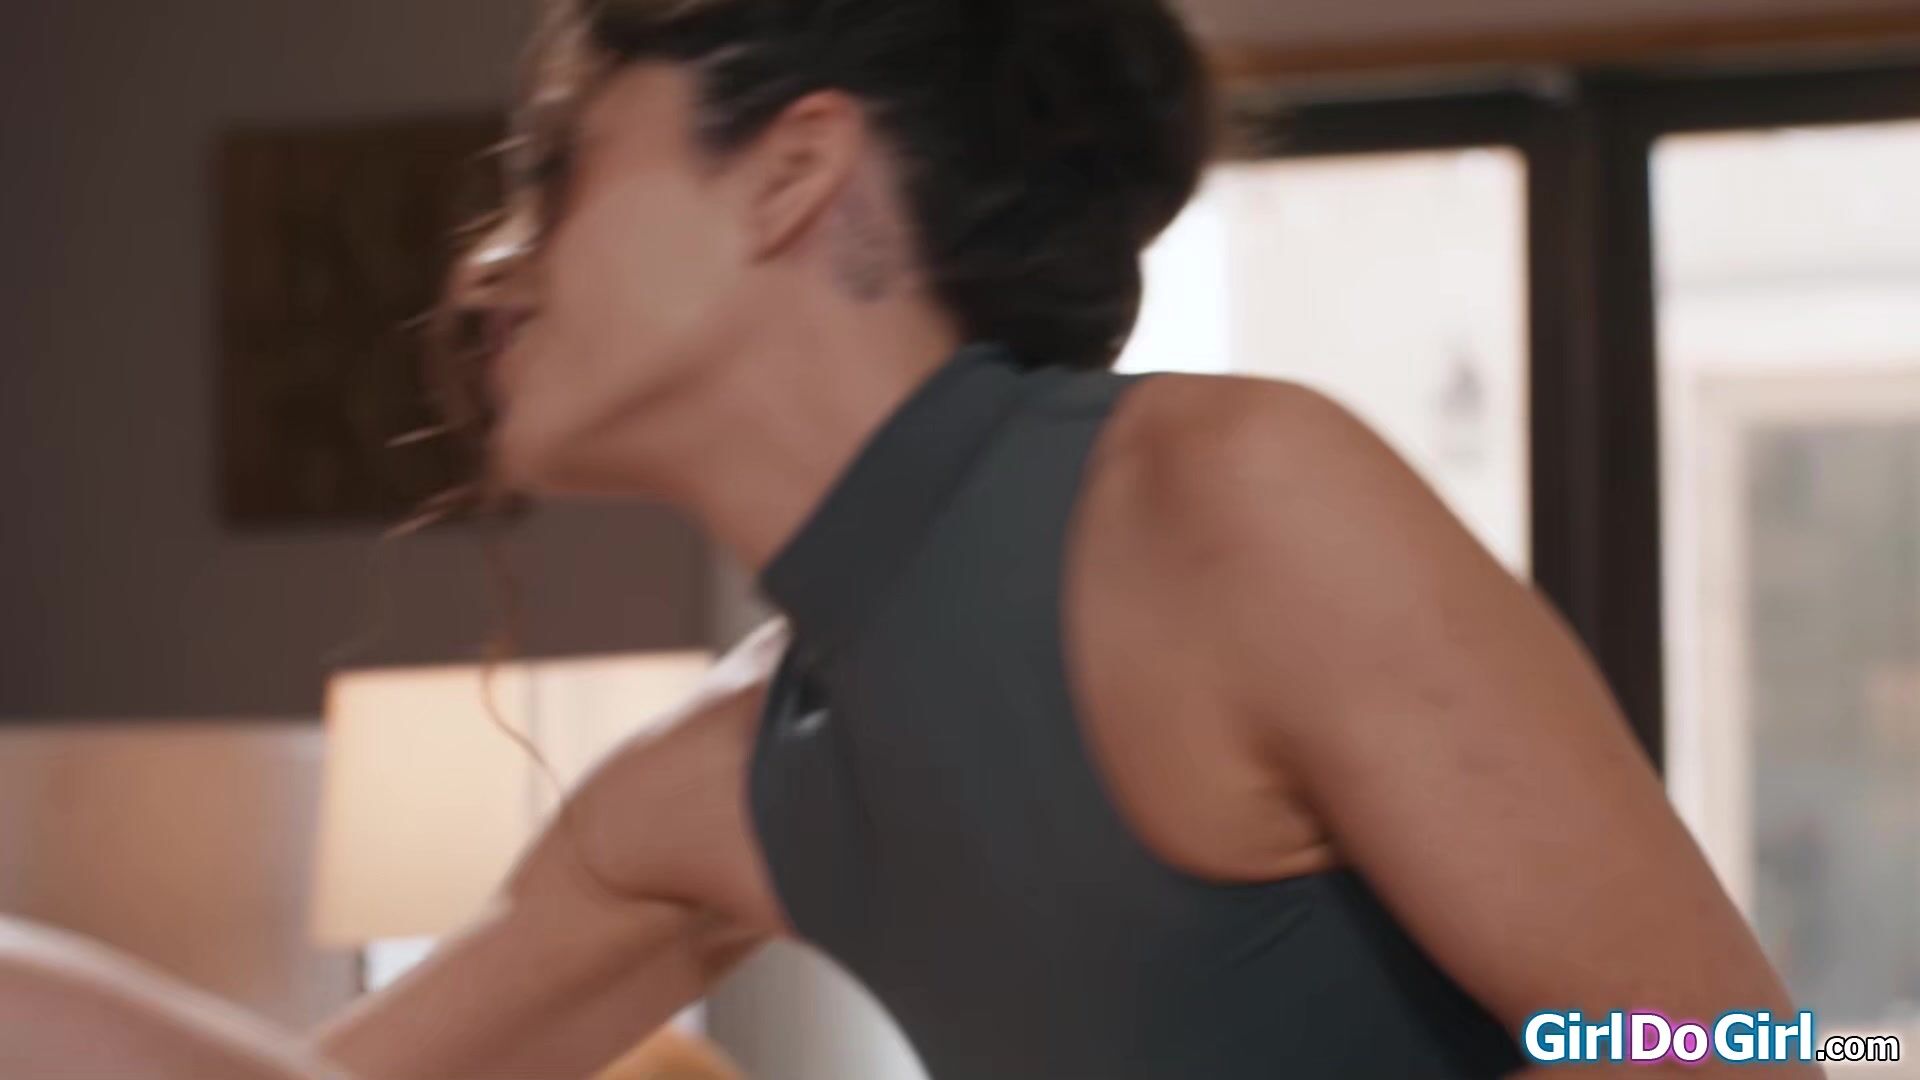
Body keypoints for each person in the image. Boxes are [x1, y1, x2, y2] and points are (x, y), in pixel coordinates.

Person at [2, 0, 1819, 1077]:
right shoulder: (714, 788)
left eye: (555, 164)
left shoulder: (1229, 505)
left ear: (794, 170)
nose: (487, 262)